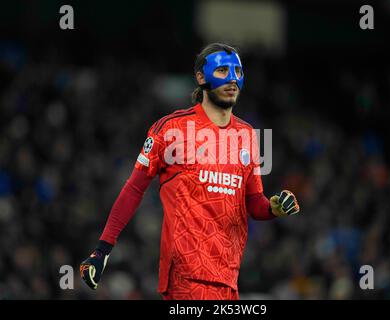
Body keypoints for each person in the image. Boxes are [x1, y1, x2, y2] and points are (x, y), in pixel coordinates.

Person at [80, 43, 300, 300]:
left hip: (228, 280)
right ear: (200, 77)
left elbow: (254, 203)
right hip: (186, 277)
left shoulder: (248, 136)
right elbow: (134, 188)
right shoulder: (171, 129)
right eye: (221, 70)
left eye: (238, 71)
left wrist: (274, 207)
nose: (232, 79)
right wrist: (102, 250)